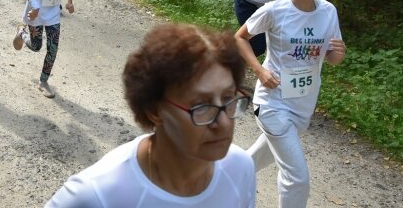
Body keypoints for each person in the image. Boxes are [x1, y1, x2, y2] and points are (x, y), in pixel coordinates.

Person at [46, 23, 255, 207]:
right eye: (200, 106)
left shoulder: (239, 169)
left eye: (228, 99)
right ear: (155, 111)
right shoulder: (97, 194)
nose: (224, 122)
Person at [234, 0, 346, 208]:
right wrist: (260, 71)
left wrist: (338, 54)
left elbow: (331, 58)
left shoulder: (328, 11)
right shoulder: (275, 10)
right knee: (297, 177)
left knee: (255, 160)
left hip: (303, 103)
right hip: (273, 102)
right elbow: (240, 38)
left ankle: (219, 182)